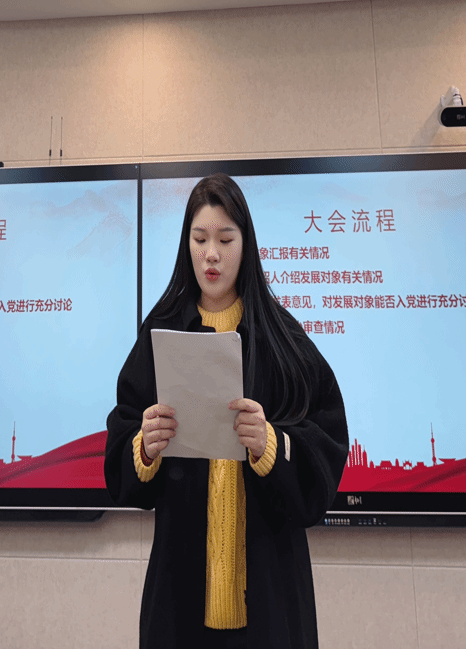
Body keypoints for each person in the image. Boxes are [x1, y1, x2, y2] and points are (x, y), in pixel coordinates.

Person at [105, 173, 348, 649]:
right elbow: (121, 442)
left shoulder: (282, 338)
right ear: (186, 246)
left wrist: (271, 444)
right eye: (199, 240)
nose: (211, 254)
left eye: (225, 239)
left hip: (271, 599)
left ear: (246, 244)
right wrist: (144, 447)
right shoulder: (161, 331)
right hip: (179, 601)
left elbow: (328, 446)